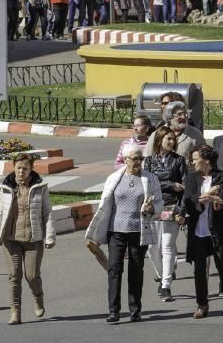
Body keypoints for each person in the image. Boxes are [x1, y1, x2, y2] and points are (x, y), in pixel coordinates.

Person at [86, 144, 163, 323]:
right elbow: (105, 204)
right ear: (125, 160)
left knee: (136, 270)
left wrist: (153, 207)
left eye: (140, 159)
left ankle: (135, 310)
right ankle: (114, 310)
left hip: (138, 230)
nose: (138, 162)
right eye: (134, 159)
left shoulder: (150, 179)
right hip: (116, 231)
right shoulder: (114, 178)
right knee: (114, 269)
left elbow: (159, 203)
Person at [0, 153, 55, 325]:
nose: (21, 171)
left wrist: (49, 237)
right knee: (14, 276)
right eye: (18, 168)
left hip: (33, 239)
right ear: (13, 168)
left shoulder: (40, 187)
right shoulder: (6, 187)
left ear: (31, 169)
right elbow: (0, 214)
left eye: (25, 168)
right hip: (11, 239)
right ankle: (15, 312)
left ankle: (38, 297)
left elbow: (47, 213)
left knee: (32, 276)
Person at [184, 145, 223, 318]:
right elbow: (189, 201)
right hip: (198, 231)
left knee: (222, 265)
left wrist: (215, 197)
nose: (193, 162)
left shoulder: (222, 177)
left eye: (195, 159)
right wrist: (204, 198)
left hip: (217, 229)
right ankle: (202, 304)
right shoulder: (191, 178)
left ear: (206, 159)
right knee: (199, 269)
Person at [143, 126, 187, 302]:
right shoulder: (149, 161)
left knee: (168, 246)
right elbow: (147, 185)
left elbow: (185, 188)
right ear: (159, 139)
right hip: (152, 209)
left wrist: (181, 211)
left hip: (171, 207)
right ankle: (162, 276)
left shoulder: (179, 161)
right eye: (168, 138)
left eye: (173, 139)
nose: (171, 142)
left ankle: (166, 285)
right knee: (152, 247)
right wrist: (170, 184)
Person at [146, 101, 205, 166]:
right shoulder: (157, 134)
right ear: (170, 117)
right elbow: (147, 157)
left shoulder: (195, 134)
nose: (183, 117)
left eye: (185, 114)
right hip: (160, 174)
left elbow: (204, 157)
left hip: (187, 174)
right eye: (179, 114)